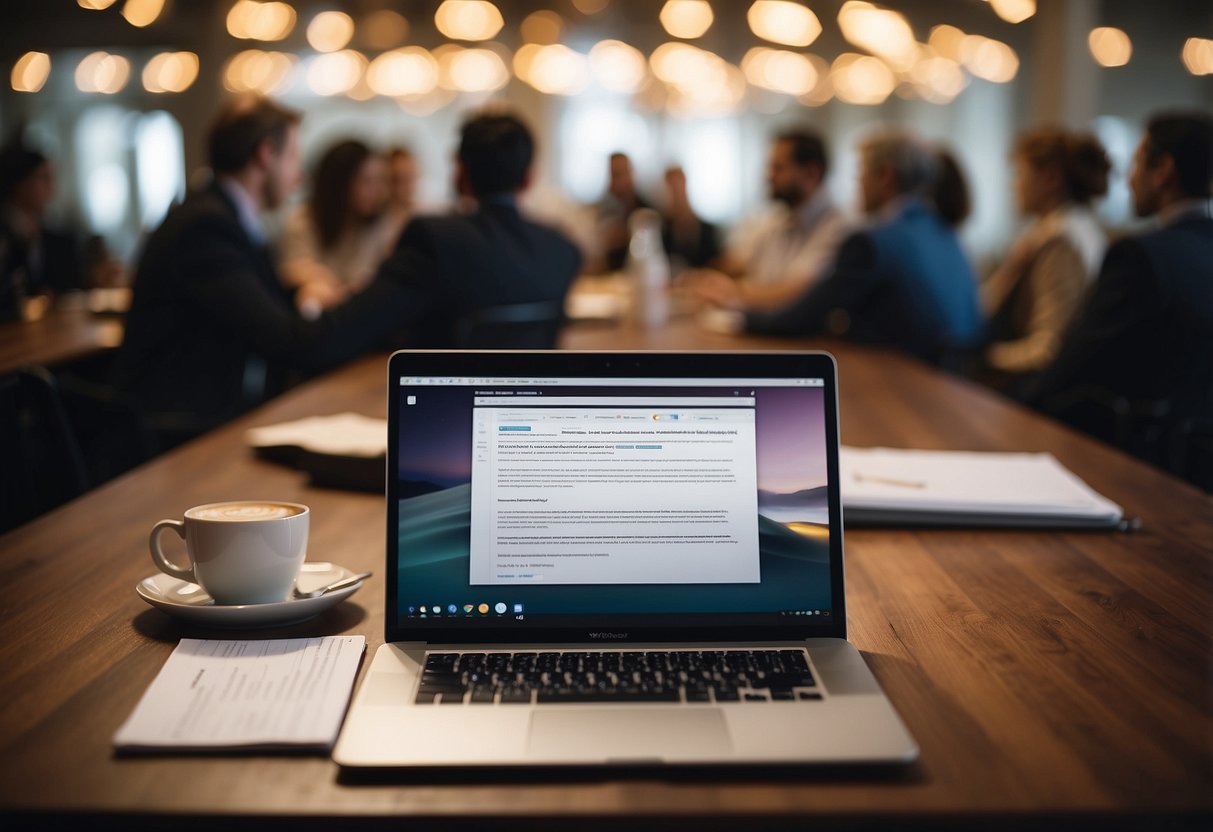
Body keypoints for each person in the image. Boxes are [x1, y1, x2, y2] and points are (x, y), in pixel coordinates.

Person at [115, 96, 413, 441]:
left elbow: (248, 306)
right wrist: (382, 294)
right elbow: (288, 341)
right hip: (179, 433)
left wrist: (296, 290)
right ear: (265, 154)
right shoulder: (207, 227)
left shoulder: (221, 215)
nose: (298, 176)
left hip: (209, 417)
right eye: (293, 159)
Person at [1027, 112, 1212, 481]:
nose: (1128, 181)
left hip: (1149, 476)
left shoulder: (1143, 257)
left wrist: (1011, 407)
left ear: (1164, 171)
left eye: (1137, 164)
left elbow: (1075, 365)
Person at [741, 129, 984, 364]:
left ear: (884, 176)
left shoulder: (872, 242)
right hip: (959, 381)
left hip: (906, 385)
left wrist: (738, 318)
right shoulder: (946, 233)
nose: (858, 186)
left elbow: (801, 318)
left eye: (861, 174)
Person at [372, 109, 582, 348]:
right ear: (529, 178)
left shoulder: (433, 240)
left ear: (460, 174)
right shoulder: (563, 250)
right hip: (531, 386)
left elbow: (360, 323)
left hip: (444, 385)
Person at [981, 128, 1110, 384]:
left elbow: (1048, 348)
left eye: (1019, 173)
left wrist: (984, 359)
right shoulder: (1067, 228)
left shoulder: (1061, 240)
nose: (1012, 185)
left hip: (1041, 395)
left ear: (1050, 178)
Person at [688, 128, 851, 311]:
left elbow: (798, 292)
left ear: (810, 173)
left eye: (778, 168)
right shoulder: (777, 217)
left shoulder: (838, 227)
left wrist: (731, 292)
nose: (768, 176)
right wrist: (698, 278)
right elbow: (739, 262)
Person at [278, 139, 397, 313]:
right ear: (340, 183)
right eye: (367, 181)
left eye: (380, 180)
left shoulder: (378, 224)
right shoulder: (303, 221)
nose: (379, 191)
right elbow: (295, 273)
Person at [0, 141, 86, 320]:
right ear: (20, 183)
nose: (52, 188)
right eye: (43, 178)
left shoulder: (55, 238)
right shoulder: (7, 236)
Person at [594, 151, 650, 272]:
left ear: (631, 173)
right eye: (614, 175)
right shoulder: (605, 208)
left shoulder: (646, 209)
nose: (618, 181)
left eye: (621, 173)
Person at [660, 165, 720, 272]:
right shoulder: (663, 229)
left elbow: (715, 263)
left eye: (678, 184)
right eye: (672, 186)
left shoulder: (706, 230)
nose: (676, 190)